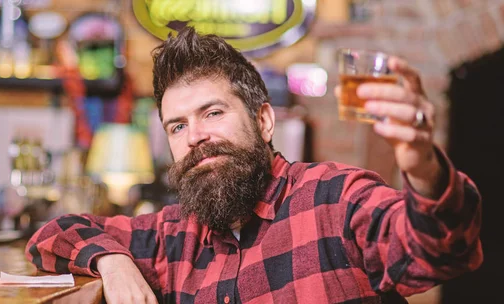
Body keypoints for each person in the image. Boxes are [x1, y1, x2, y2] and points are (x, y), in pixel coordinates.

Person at [25, 27, 482, 304]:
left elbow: (439, 249)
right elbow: (53, 234)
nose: (196, 136)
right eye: (177, 126)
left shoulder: (334, 199)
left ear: (264, 120)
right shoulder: (170, 236)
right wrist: (111, 259)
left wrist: (422, 166)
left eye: (214, 113)